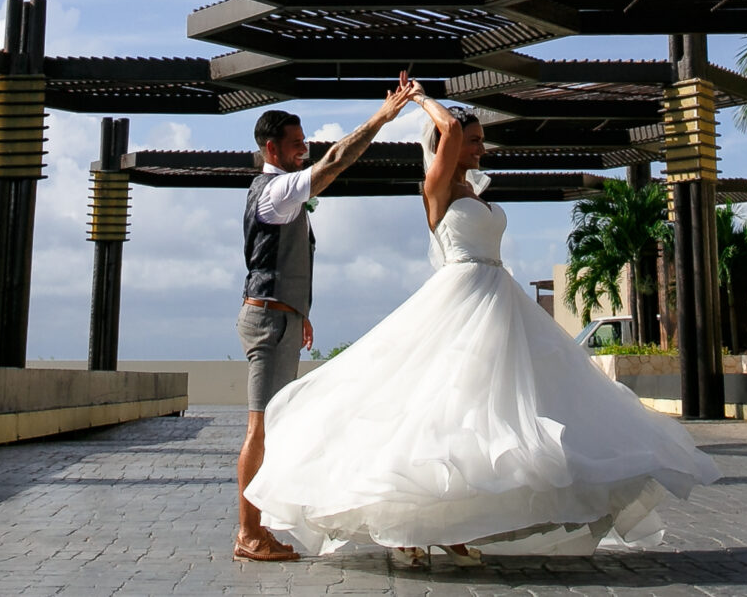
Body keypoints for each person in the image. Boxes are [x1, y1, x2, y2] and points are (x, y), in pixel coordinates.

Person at [244, 75, 719, 567]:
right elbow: (447, 129)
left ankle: (449, 524)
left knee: (474, 417)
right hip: (460, 299)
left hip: (499, 302)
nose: (479, 146)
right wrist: (422, 100)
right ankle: (405, 529)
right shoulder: (435, 189)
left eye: (479, 140)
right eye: (473, 140)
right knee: (442, 411)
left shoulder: (471, 189)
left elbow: (455, 139)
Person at [234, 84, 415, 562]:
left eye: (304, 140)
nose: (305, 147)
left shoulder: (280, 193)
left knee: (269, 425)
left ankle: (257, 530)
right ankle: (248, 534)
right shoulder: (275, 190)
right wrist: (381, 119)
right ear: (272, 149)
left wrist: (300, 312)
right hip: (269, 321)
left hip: (280, 316)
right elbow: (335, 160)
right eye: (296, 142)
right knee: (260, 427)